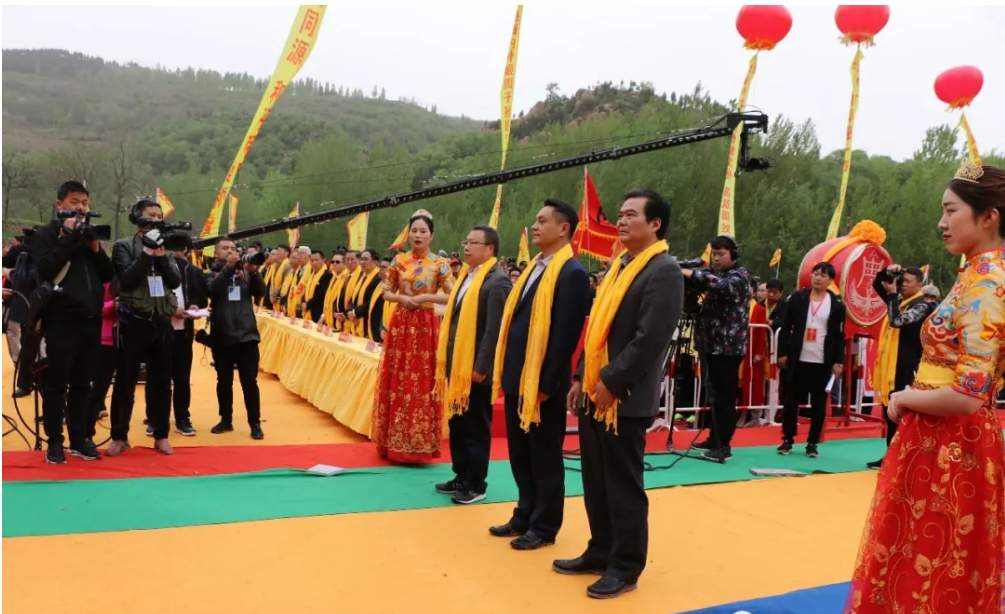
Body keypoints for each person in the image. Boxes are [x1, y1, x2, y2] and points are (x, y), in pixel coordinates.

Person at [846, 162, 1005, 613]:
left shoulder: (988, 282)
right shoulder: (976, 273)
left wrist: (903, 397)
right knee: (923, 559)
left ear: (988, 216)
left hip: (952, 442)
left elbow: (969, 394)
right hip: (939, 439)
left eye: (950, 210)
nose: (941, 222)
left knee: (935, 563)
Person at [560, 189, 683, 599]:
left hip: (624, 396)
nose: (621, 220)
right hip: (597, 391)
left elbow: (650, 339)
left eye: (631, 214)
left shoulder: (662, 269)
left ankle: (626, 565)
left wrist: (611, 381)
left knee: (622, 483)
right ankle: (600, 550)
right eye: (620, 213)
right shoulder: (619, 266)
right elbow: (597, 330)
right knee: (596, 480)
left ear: (655, 224)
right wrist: (582, 377)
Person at [489, 198, 590, 550]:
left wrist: (547, 384)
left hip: (543, 385)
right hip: (520, 378)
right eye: (536, 219)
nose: (535, 226)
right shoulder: (535, 266)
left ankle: (545, 526)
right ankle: (525, 513)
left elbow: (565, 336)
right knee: (520, 453)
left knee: (544, 455)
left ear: (563, 229)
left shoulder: (572, 273)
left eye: (542, 220)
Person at [31, 180, 114, 463]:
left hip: (91, 320)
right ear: (60, 204)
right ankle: (55, 441)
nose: (81, 208)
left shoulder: (89, 236)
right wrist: (67, 237)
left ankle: (80, 439)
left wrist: (95, 247)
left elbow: (107, 275)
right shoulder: (46, 234)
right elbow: (44, 269)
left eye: (85, 203)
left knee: (83, 384)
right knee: (56, 384)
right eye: (75, 202)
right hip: (60, 321)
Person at [434, 226, 512, 504]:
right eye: (465, 242)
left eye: (474, 243)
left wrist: (481, 366)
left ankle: (477, 483)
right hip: (457, 367)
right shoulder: (467, 276)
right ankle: (461, 475)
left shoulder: (497, 281)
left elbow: (495, 330)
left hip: (477, 370)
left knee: (475, 426)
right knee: (458, 423)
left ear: (490, 249)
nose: (466, 247)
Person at [371, 210, 454, 462]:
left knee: (421, 382)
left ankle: (419, 444)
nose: (418, 236)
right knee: (398, 379)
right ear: (408, 235)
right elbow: (386, 291)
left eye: (423, 231)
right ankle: (392, 442)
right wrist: (401, 298)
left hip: (426, 326)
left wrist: (426, 297)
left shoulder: (440, 264)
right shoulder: (399, 261)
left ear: (432, 235)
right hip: (401, 323)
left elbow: (452, 295)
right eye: (414, 231)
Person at [107, 199, 182, 457]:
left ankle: (160, 435)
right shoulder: (123, 246)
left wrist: (160, 255)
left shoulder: (167, 250)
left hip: (162, 322)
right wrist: (147, 251)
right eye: (151, 215)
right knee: (125, 381)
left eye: (159, 216)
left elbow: (174, 280)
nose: (156, 219)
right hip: (133, 321)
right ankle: (119, 436)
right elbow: (127, 278)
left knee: (161, 383)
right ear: (138, 219)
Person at [681, 235, 752, 462]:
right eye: (715, 253)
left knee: (724, 396)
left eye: (722, 253)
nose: (717, 257)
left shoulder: (739, 276)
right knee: (713, 394)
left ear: (733, 256)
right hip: (711, 344)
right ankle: (714, 438)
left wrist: (693, 274)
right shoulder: (717, 276)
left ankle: (724, 445)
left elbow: (724, 287)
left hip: (728, 347)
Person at [775, 262, 845, 458]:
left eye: (823, 275)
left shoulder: (837, 304)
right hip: (798, 359)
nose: (818, 278)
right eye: (815, 273)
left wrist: (838, 361)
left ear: (831, 280)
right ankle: (787, 439)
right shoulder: (798, 298)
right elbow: (785, 326)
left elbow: (839, 336)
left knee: (819, 405)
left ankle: (812, 442)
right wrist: (783, 353)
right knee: (791, 402)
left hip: (822, 361)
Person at [866, 264, 931, 469]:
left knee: (902, 414)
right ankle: (891, 454)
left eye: (907, 282)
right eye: (901, 282)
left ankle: (902, 457)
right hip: (891, 368)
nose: (902, 286)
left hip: (908, 366)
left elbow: (897, 321)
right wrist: (888, 272)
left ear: (920, 284)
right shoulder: (900, 301)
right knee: (890, 413)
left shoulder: (922, 306)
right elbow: (878, 284)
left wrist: (892, 296)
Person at [206, 238, 267, 440]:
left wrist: (253, 271)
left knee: (249, 381)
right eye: (225, 249)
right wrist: (229, 269)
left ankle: (255, 423)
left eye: (233, 249)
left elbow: (260, 293)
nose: (230, 252)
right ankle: (226, 420)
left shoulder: (246, 275)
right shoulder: (212, 274)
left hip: (247, 336)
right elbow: (213, 291)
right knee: (224, 381)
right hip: (222, 336)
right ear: (217, 254)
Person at [152, 244, 208, 437]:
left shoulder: (193, 271)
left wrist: (195, 305)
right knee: (159, 378)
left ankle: (182, 418)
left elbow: (202, 298)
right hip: (161, 330)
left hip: (183, 332)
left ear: (185, 249)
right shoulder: (155, 267)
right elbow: (152, 296)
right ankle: (156, 418)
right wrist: (168, 309)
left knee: (182, 378)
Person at [85, 281, 117, 432]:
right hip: (105, 339)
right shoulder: (101, 282)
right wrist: (113, 305)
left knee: (123, 390)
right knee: (99, 385)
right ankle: (87, 429)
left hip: (126, 339)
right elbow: (93, 307)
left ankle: (120, 434)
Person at [346, 248, 385, 341]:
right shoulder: (361, 276)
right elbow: (353, 297)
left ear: (375, 262)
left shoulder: (378, 278)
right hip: (355, 320)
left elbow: (372, 302)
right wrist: (350, 312)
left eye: (366, 259)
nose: (362, 262)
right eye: (361, 259)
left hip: (368, 322)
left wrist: (355, 313)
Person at [303, 250, 332, 323]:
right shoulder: (312, 274)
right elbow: (307, 289)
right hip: (308, 310)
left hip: (318, 312)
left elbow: (321, 294)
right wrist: (303, 301)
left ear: (323, 260)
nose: (314, 263)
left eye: (316, 260)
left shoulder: (327, 275)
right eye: (312, 260)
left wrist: (308, 304)